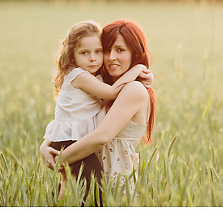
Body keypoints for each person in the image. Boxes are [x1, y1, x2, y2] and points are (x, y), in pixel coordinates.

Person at [41, 19, 157, 201]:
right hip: (84, 175)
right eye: (107, 49)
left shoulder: (132, 89)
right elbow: (71, 117)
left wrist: (61, 159)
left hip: (113, 183)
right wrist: (45, 145)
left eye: (120, 50)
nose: (111, 57)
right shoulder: (101, 84)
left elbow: (101, 137)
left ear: (135, 54)